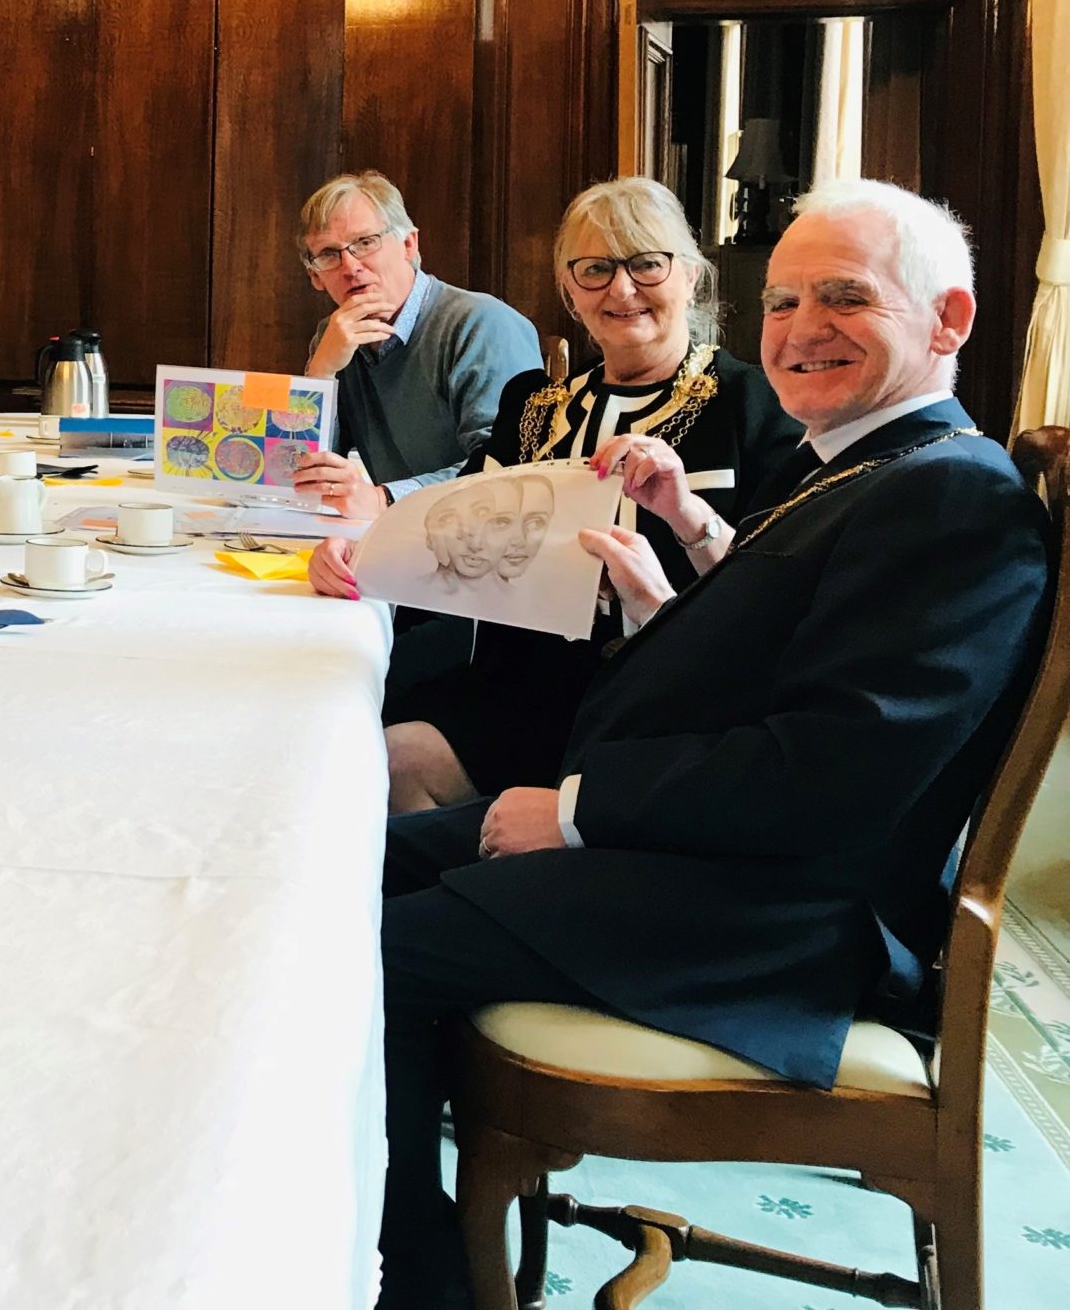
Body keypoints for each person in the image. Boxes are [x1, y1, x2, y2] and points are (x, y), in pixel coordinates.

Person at [376, 180, 1050, 1308]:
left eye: (845, 297)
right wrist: (666, 587)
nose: (797, 328)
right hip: (705, 853)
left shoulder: (952, 501)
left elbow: (831, 773)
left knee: (363, 950)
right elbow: (767, 668)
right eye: (782, 301)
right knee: (336, 862)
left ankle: (423, 1277)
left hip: (775, 916)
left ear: (948, 320)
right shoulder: (862, 464)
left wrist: (576, 811)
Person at [309, 177, 800, 810]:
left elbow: (776, 601)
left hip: (674, 711)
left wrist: (687, 523)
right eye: (595, 269)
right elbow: (450, 540)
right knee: (358, 751)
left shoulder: (756, 406)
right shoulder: (533, 406)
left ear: (691, 276)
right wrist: (359, 557)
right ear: (570, 290)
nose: (622, 290)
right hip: (524, 696)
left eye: (647, 263)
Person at [289, 171, 541, 514]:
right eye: (330, 254)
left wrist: (383, 498)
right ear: (315, 277)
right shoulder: (333, 337)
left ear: (409, 245)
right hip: (397, 539)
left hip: (485, 540)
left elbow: (508, 470)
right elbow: (302, 470)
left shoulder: (481, 324)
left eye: (365, 242)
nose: (350, 266)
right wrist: (320, 374)